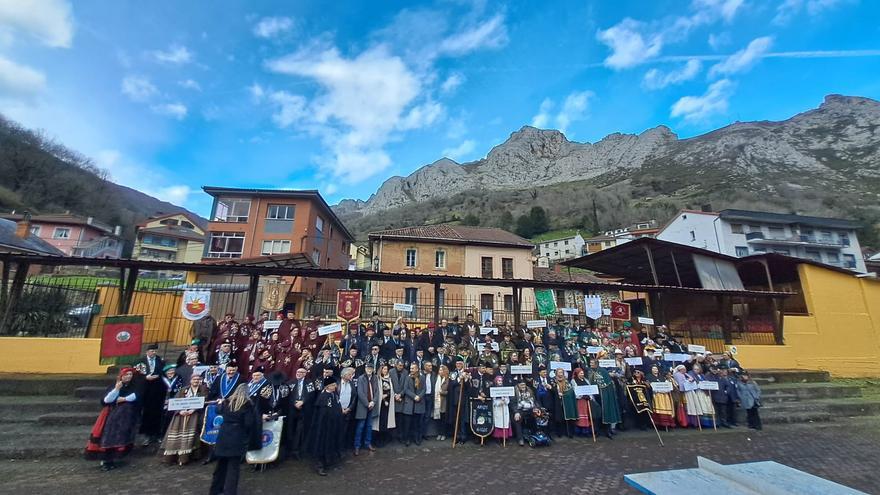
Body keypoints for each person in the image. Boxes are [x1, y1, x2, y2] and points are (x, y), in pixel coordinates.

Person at [85, 367, 139, 471]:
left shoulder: (133, 386)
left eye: (130, 375)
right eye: (126, 375)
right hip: (112, 415)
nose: (129, 376)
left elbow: (135, 396)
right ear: (121, 376)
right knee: (108, 436)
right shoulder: (114, 386)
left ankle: (114, 458)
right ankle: (106, 460)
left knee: (120, 436)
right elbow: (106, 400)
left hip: (125, 416)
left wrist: (124, 399)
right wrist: (117, 389)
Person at [210, 384, 260, 495]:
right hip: (236, 436)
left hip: (223, 435)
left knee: (220, 466)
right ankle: (230, 492)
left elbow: (218, 411)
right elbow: (248, 423)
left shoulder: (227, 402)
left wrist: (220, 403)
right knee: (233, 469)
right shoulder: (247, 405)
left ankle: (215, 490)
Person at [161, 373, 208, 465]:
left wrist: (193, 409)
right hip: (181, 415)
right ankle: (173, 456)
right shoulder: (183, 390)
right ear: (190, 380)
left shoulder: (203, 389)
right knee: (176, 432)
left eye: (198, 380)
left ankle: (186, 457)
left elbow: (204, 400)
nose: (196, 381)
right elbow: (176, 401)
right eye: (194, 379)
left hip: (194, 414)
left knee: (192, 433)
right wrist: (180, 411)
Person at [307, 376, 345, 476]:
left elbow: (337, 406)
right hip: (324, 426)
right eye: (333, 385)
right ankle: (320, 466)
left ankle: (329, 462)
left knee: (330, 443)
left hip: (333, 425)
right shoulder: (323, 397)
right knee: (322, 444)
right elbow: (322, 414)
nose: (335, 386)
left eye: (335, 385)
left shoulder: (334, 395)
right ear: (328, 386)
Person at [136, 343, 166, 446]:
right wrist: (145, 378)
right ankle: (147, 435)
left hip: (157, 390)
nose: (154, 352)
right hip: (145, 390)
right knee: (146, 412)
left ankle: (157, 434)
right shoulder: (141, 361)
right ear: (147, 352)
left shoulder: (160, 361)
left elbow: (164, 373)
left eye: (155, 351)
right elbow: (136, 375)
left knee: (157, 412)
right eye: (152, 351)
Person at [586, 357, 621, 439]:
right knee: (596, 414)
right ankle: (596, 431)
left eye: (592, 363)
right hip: (594, 396)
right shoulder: (590, 371)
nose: (590, 365)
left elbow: (607, 383)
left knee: (606, 413)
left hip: (603, 395)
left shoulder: (603, 371)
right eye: (590, 363)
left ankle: (607, 431)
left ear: (596, 364)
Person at [287, 367, 316, 459]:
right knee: (291, 429)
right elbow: (288, 395)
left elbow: (311, 395)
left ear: (305, 374)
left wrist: (303, 401)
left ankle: (298, 450)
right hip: (292, 409)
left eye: (301, 372)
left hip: (304, 409)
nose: (298, 373)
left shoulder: (309, 383)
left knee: (301, 430)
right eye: (297, 372)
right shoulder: (290, 382)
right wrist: (294, 403)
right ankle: (290, 450)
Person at [354, 361, 380, 455]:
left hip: (372, 405)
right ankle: (357, 446)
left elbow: (377, 391)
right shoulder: (361, 378)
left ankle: (368, 443)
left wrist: (373, 402)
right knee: (360, 426)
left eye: (371, 368)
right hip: (363, 406)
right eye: (367, 368)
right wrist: (367, 403)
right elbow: (360, 392)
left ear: (373, 369)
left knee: (369, 426)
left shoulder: (375, 378)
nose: (369, 370)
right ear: (365, 369)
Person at [402, 362, 426, 446]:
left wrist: (419, 396)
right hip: (409, 404)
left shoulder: (422, 377)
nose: (411, 370)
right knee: (407, 424)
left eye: (412, 368)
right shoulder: (407, 378)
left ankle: (417, 438)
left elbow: (424, 389)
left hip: (419, 404)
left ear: (417, 369)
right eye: (410, 368)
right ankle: (407, 439)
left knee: (417, 423)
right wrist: (414, 396)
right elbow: (405, 389)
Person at [374, 363, 397, 447]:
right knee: (379, 422)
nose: (385, 371)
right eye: (384, 369)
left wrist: (387, 396)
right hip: (380, 404)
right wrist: (382, 397)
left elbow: (391, 390)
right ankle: (378, 439)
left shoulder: (389, 379)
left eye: (387, 369)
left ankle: (384, 438)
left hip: (388, 403)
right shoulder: (378, 379)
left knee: (385, 421)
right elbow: (377, 391)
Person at [552, 368, 577, 438]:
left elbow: (570, 389)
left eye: (561, 373)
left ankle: (569, 433)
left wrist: (565, 394)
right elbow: (552, 389)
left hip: (566, 401)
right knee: (559, 418)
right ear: (556, 373)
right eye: (559, 373)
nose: (560, 374)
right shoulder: (553, 380)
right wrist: (558, 393)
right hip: (557, 402)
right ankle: (559, 432)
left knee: (568, 418)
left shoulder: (566, 381)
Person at [570, 367, 594, 437]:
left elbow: (590, 389)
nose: (582, 374)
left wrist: (590, 396)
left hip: (587, 401)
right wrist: (581, 396)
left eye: (583, 373)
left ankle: (586, 431)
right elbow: (575, 390)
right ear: (577, 374)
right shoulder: (573, 381)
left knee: (588, 415)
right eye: (580, 373)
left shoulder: (586, 380)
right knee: (580, 416)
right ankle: (579, 430)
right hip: (579, 401)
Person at [491, 375, 514, 444]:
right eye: (499, 381)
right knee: (498, 422)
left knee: (505, 422)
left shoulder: (505, 389)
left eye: (501, 381)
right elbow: (493, 400)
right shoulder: (494, 390)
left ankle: (505, 437)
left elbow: (508, 399)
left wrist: (505, 400)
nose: (500, 382)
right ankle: (498, 437)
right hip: (498, 408)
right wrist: (498, 402)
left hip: (504, 408)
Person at [432, 364, 450, 441]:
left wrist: (442, 392)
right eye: (439, 370)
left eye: (441, 370)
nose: (440, 371)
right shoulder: (437, 378)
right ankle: (439, 433)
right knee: (438, 419)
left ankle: (444, 434)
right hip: (437, 401)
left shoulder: (448, 379)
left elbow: (449, 391)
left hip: (444, 402)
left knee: (443, 419)